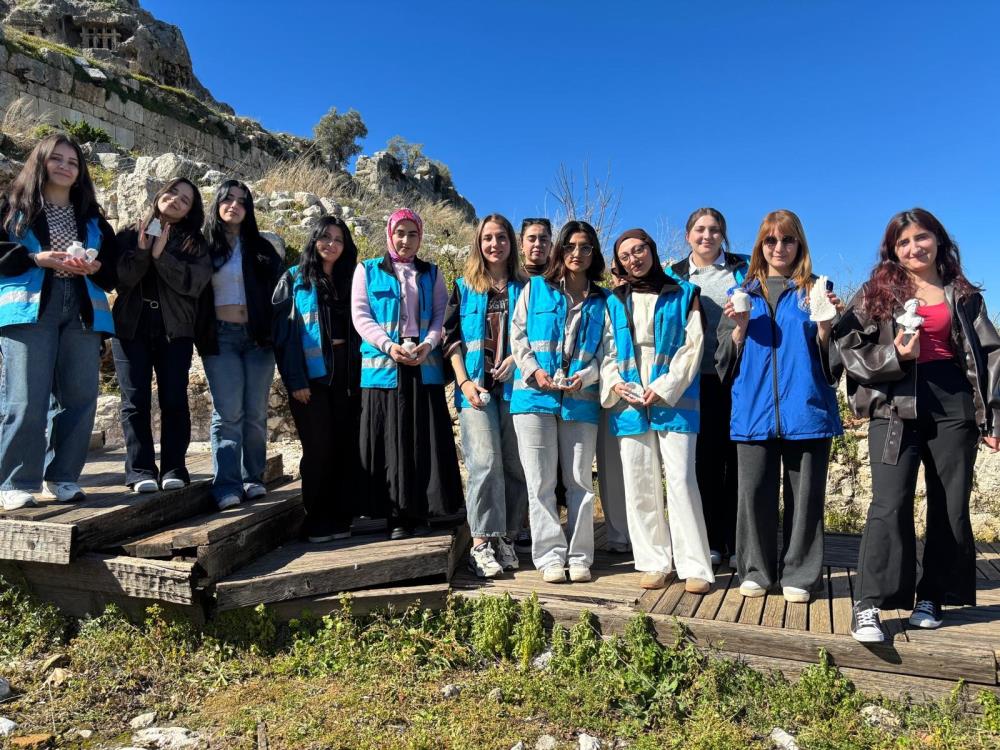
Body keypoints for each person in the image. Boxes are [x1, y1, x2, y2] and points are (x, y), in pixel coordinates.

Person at [834, 209, 1000, 643]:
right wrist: (896, 356)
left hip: (953, 405)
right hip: (894, 405)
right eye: (903, 242)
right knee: (889, 502)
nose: (913, 248)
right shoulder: (875, 293)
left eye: (921, 238)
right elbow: (846, 346)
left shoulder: (962, 294)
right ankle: (869, 603)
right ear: (893, 249)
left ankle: (932, 597)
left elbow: (991, 356)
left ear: (938, 240)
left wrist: (993, 417)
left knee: (949, 505)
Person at [717, 209, 842, 603]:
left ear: (799, 244)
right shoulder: (742, 293)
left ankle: (801, 576)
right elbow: (722, 362)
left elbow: (835, 363)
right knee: (752, 495)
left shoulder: (815, 291)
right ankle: (755, 570)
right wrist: (737, 327)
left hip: (806, 411)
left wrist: (826, 326)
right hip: (752, 411)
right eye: (770, 240)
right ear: (760, 247)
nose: (779, 248)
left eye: (787, 240)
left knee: (806, 500)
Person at [0, 134, 117, 510]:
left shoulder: (92, 216)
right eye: (57, 159)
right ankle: (14, 481)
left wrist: (97, 267)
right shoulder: (13, 206)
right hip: (30, 310)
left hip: (82, 311)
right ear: (41, 162)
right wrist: (37, 259)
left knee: (81, 397)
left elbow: (112, 271)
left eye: (73, 161)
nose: (65, 166)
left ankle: (63, 476)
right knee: (26, 397)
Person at [601, 228, 714, 592]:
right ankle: (654, 560)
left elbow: (692, 346)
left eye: (639, 250)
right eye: (625, 255)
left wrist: (664, 387)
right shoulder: (614, 300)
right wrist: (615, 382)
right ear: (619, 263)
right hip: (629, 398)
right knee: (639, 482)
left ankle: (694, 565)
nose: (634, 258)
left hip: (674, 398)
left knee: (681, 479)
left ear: (651, 249)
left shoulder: (684, 293)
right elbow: (606, 349)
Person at [351, 208, 464, 539]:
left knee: (423, 438)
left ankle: (428, 510)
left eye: (412, 234)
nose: (405, 240)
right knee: (391, 441)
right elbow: (361, 315)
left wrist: (428, 346)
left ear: (420, 237)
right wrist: (388, 345)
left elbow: (441, 316)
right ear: (389, 234)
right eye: (399, 232)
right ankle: (395, 514)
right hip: (384, 369)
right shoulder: (367, 270)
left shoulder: (432, 273)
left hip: (422, 366)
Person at [510, 220, 607, 583]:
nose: (577, 254)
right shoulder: (533, 290)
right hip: (534, 399)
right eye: (570, 246)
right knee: (540, 483)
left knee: (580, 481)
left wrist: (588, 376)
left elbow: (607, 352)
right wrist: (534, 370)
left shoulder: (603, 300)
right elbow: (517, 338)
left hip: (581, 400)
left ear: (594, 253)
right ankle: (550, 555)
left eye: (585, 247)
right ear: (559, 250)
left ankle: (580, 556)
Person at [443, 213, 528, 577]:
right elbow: (451, 339)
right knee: (484, 463)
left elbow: (537, 338)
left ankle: (506, 537)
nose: (495, 244)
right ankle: (480, 542)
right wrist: (463, 382)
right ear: (479, 243)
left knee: (514, 464)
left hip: (517, 390)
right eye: (488, 238)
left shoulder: (527, 288)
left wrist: (515, 359)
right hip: (474, 391)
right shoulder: (464, 286)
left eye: (501, 238)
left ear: (512, 243)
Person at [114, 178, 212, 492]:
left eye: (185, 200)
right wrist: (143, 251)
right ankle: (140, 471)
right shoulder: (130, 232)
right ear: (160, 194)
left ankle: (174, 468)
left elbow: (193, 284)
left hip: (175, 330)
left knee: (173, 399)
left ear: (189, 212)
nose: (176, 201)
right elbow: (121, 279)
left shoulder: (195, 244)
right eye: (173, 193)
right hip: (131, 325)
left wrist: (162, 256)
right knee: (134, 400)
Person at [273, 216, 362, 543]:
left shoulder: (353, 279)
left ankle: (342, 515)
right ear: (314, 240)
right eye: (325, 237)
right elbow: (284, 337)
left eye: (339, 239)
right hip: (311, 377)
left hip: (349, 375)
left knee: (344, 445)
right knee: (318, 448)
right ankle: (316, 516)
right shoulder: (294, 279)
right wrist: (296, 380)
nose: (332, 245)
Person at [668, 208, 749, 567]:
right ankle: (711, 540)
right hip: (692, 380)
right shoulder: (674, 274)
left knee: (737, 459)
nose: (707, 236)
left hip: (737, 376)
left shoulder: (745, 270)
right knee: (703, 463)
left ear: (724, 235)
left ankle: (737, 540)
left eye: (715, 230)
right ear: (688, 235)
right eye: (700, 230)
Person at [196, 180, 283, 510]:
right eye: (228, 199)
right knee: (228, 412)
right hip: (220, 336)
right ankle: (226, 485)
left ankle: (253, 477)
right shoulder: (203, 245)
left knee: (256, 413)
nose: (234, 205)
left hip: (258, 338)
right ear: (218, 204)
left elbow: (282, 293)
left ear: (249, 209)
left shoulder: (261, 247)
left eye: (241, 201)